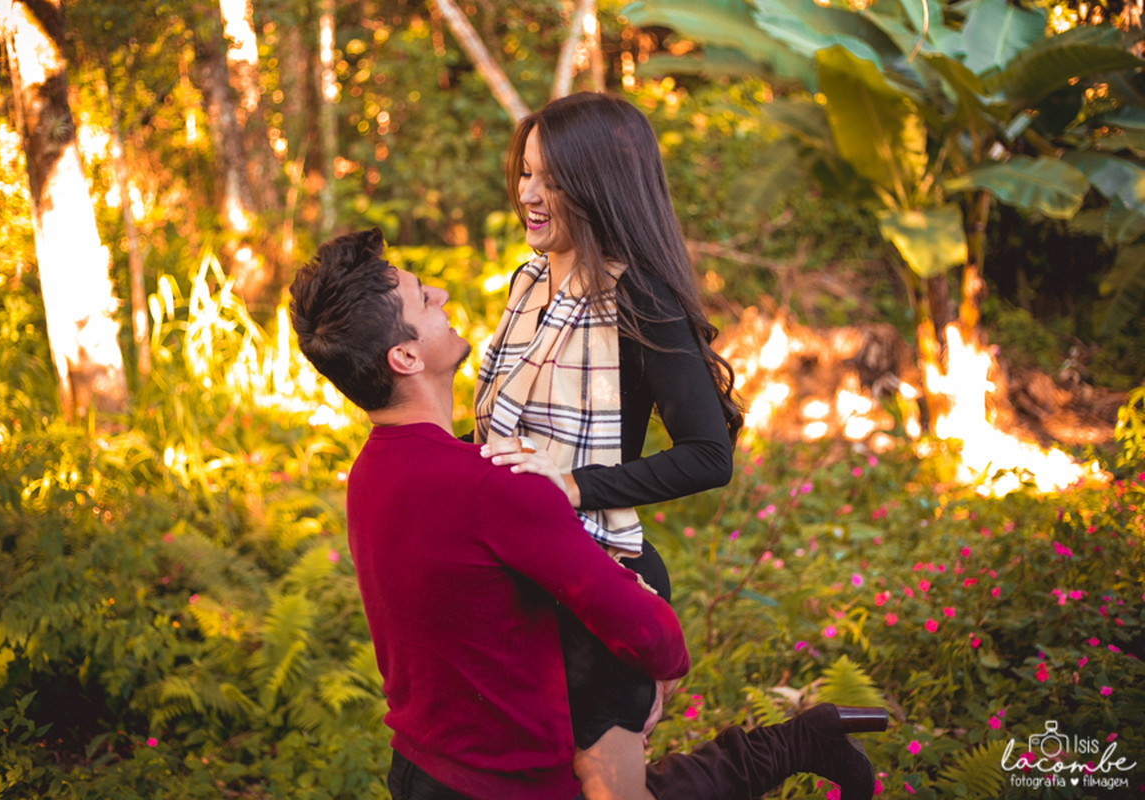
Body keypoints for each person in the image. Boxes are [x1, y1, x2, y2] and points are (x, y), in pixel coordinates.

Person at [289, 228, 887, 800]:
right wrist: (660, 669)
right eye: (424, 298)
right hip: (504, 786)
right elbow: (654, 633)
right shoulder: (492, 486)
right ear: (405, 357)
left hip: (419, 769)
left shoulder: (370, 471)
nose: (440, 295)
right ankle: (802, 743)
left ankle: (805, 742)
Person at [472, 91, 742, 799]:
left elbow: (709, 456)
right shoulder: (529, 283)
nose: (530, 195)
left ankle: (777, 753)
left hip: (595, 577)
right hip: (520, 575)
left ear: (598, 188)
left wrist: (577, 485)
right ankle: (781, 750)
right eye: (526, 173)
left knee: (609, 790)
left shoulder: (639, 299)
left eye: (552, 181)